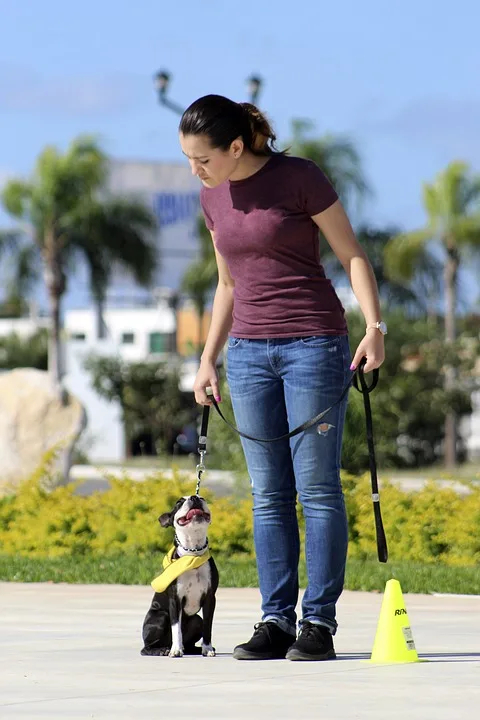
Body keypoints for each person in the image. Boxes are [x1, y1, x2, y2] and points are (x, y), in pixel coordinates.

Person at [179, 94, 385, 661]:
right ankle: (275, 620)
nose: (195, 171)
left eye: (202, 159)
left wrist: (375, 326)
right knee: (267, 495)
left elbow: (352, 255)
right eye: (188, 160)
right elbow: (228, 284)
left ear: (236, 146)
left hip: (314, 346)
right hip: (247, 355)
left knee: (316, 490)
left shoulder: (299, 177)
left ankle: (317, 624)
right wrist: (207, 358)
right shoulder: (211, 197)